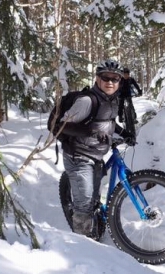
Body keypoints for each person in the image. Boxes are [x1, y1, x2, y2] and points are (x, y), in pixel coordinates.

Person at [57, 60, 135, 237]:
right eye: (105, 77)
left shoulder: (111, 100)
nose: (110, 82)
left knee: (93, 199)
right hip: (78, 156)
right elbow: (63, 126)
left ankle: (94, 225)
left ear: (119, 82)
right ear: (97, 79)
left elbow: (108, 122)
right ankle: (84, 246)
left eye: (114, 78)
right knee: (84, 205)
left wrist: (124, 133)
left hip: (96, 155)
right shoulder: (86, 101)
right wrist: (89, 131)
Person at [118, 67, 143, 132]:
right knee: (120, 105)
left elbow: (136, 85)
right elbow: (116, 87)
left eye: (127, 74)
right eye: (124, 74)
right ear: (122, 74)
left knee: (131, 105)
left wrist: (139, 91)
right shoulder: (120, 80)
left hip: (128, 95)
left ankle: (134, 117)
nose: (126, 75)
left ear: (129, 74)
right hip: (121, 95)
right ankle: (120, 116)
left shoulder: (131, 79)